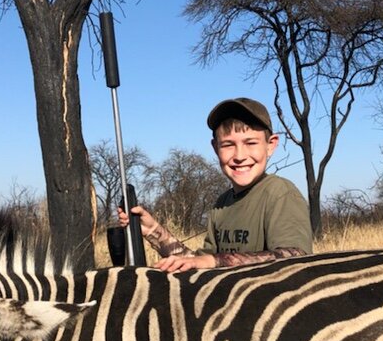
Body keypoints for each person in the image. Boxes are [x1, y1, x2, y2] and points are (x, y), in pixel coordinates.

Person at [118, 97, 313, 272]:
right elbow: (197, 262)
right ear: (215, 148)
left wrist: (215, 261)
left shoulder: (281, 193)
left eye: (251, 143)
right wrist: (153, 231)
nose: (239, 156)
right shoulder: (223, 202)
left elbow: (295, 256)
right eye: (228, 145)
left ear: (271, 145)